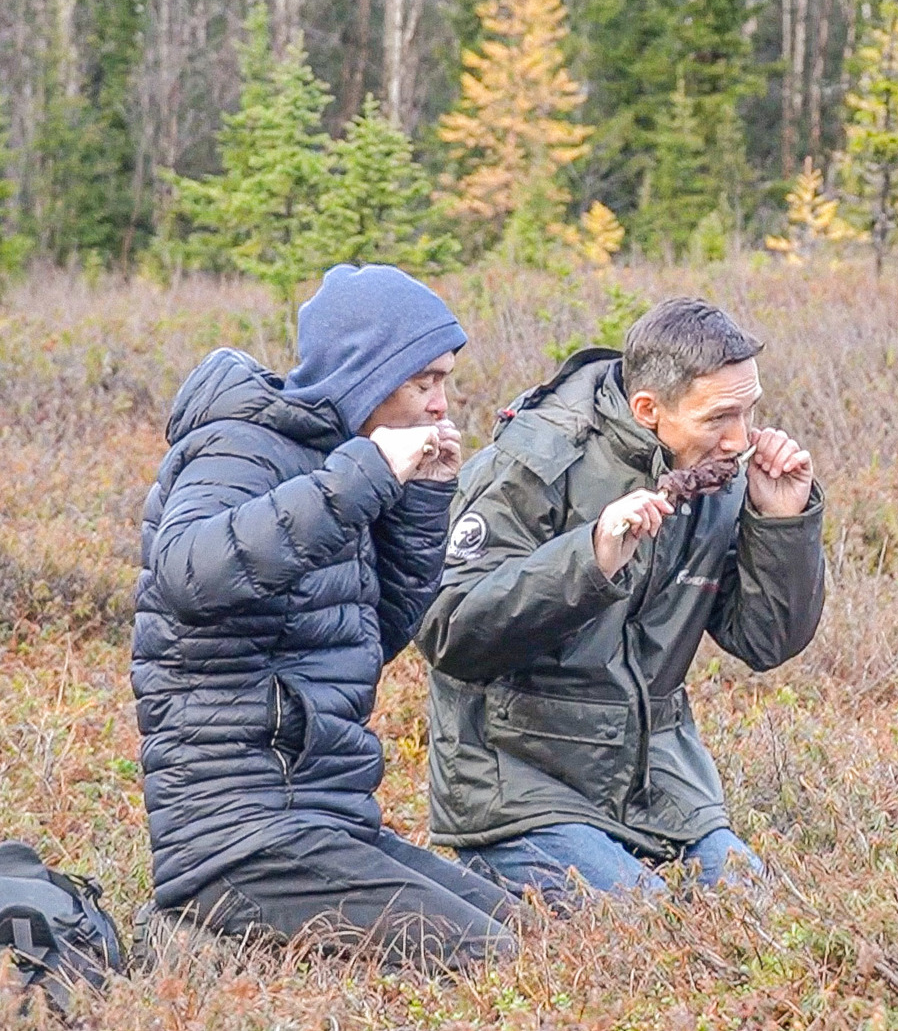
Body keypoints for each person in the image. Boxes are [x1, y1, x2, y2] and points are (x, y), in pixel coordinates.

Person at [132, 263, 514, 968]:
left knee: (535, 931)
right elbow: (188, 570)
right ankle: (195, 937)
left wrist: (423, 500)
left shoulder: (337, 461)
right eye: (423, 380)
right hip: (239, 834)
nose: (441, 403)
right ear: (366, 373)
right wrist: (365, 473)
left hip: (324, 816)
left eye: (446, 380)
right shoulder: (240, 444)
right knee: (488, 958)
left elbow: (370, 637)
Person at [417, 297, 826, 902]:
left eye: (750, 411)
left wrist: (781, 524)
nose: (740, 440)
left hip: (662, 786)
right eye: (720, 417)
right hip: (521, 782)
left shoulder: (719, 473)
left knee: (759, 914)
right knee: (643, 921)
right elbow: (450, 632)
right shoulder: (533, 463)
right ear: (647, 409)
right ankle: (491, 872)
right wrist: (590, 559)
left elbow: (764, 642)